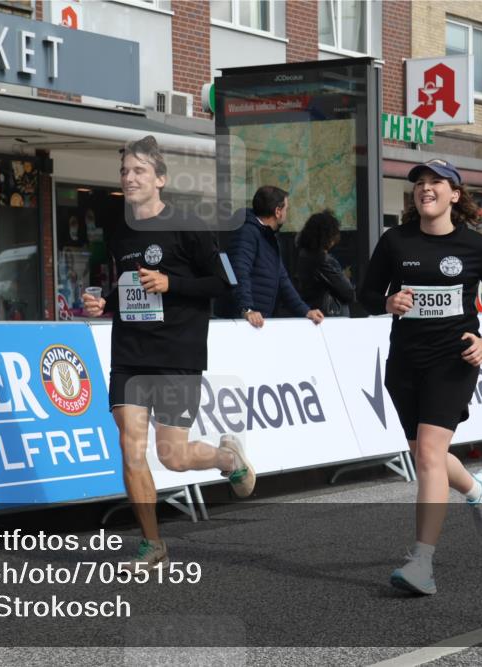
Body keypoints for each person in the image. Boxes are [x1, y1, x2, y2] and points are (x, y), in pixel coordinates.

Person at [82, 135, 255, 569]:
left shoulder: (188, 225)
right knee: (130, 448)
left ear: (160, 178)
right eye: (125, 171)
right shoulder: (118, 231)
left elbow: (223, 283)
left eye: (139, 170)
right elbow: (124, 287)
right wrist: (104, 303)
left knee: (172, 456)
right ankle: (152, 544)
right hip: (129, 353)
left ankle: (226, 456)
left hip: (178, 353)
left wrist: (172, 283)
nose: (129, 178)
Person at [359, 159, 482, 595]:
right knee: (425, 454)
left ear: (454, 195)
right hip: (405, 362)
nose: (426, 189)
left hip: (453, 361)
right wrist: (388, 303)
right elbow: (366, 295)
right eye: (420, 184)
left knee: (428, 453)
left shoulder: (476, 248)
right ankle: (476, 486)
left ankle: (421, 563)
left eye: (436, 183)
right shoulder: (395, 242)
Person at [227, 186, 324, 328]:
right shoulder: (247, 232)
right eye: (286, 209)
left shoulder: (269, 237)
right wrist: (247, 309)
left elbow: (282, 279)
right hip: (243, 322)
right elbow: (239, 271)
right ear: (277, 211)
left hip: (258, 321)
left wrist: (305, 311)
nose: (287, 214)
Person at [296, 210, 355, 317]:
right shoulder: (323, 261)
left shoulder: (304, 255)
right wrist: (344, 276)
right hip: (330, 316)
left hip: (315, 313)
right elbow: (348, 293)